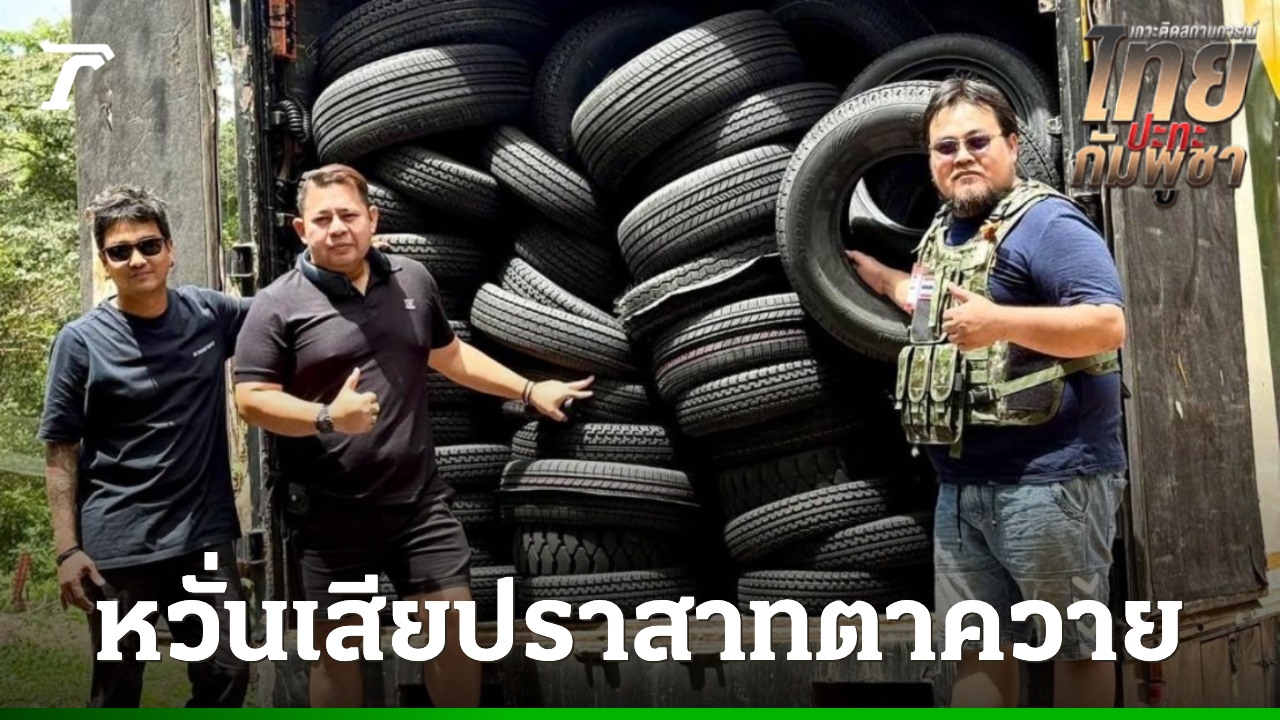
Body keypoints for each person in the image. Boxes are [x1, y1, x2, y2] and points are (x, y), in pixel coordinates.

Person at [231, 164, 593, 708]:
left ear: (372, 219)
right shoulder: (276, 304)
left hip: (418, 505)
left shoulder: (413, 280)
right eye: (322, 219)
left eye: (349, 215)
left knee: (452, 633)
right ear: (301, 230)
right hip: (331, 513)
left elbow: (450, 356)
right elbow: (252, 399)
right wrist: (329, 416)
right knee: (337, 652)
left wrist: (528, 389)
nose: (338, 228)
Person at [848, 78, 1129, 708]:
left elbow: (1108, 325)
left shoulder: (1048, 223)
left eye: (978, 141)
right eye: (945, 147)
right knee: (976, 652)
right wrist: (883, 279)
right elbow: (933, 302)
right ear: (930, 158)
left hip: (1052, 483)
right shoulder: (945, 231)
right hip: (962, 488)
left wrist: (999, 323)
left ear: (1011, 144)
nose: (962, 157)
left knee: (1075, 650)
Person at [37, 185, 252, 708]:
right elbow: (60, 450)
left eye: (149, 245)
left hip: (202, 539)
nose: (138, 259)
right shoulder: (81, 341)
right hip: (118, 546)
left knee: (229, 670)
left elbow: (285, 312)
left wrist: (352, 267)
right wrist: (67, 550)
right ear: (105, 261)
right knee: (117, 691)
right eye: (120, 251)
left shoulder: (210, 314)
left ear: (170, 250)